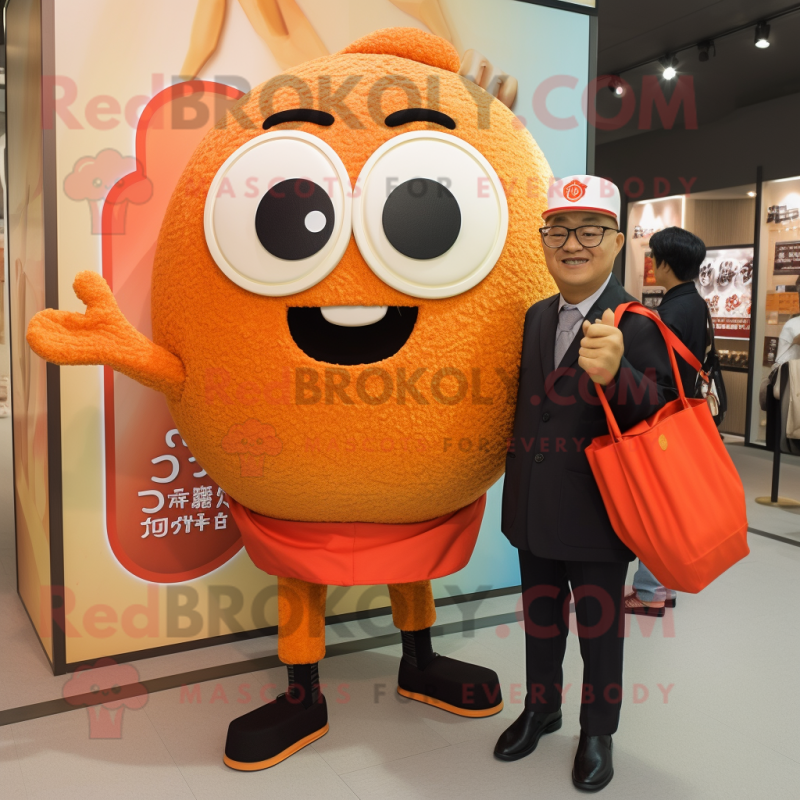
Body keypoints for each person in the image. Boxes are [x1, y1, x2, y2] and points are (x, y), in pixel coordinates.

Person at [495, 176, 675, 792]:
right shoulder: (536, 316)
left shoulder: (639, 321)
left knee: (601, 631)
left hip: (600, 512)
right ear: (544, 241)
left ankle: (598, 731)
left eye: (590, 230)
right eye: (558, 230)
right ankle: (540, 708)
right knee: (540, 621)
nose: (572, 243)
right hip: (531, 505)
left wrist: (619, 373)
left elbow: (661, 417)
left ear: (616, 241)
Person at [625, 227, 708, 616]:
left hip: (662, 419)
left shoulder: (670, 311)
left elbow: (655, 375)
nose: (652, 266)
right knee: (669, 503)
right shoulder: (695, 303)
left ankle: (650, 592)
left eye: (653, 258)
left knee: (653, 506)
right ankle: (662, 586)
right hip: (685, 414)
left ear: (664, 263)